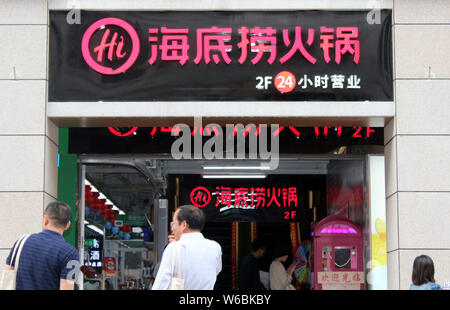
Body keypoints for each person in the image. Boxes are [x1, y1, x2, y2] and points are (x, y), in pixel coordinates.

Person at [3, 201, 80, 290]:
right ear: (68, 225)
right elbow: (67, 287)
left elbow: (7, 274)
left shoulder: (21, 242)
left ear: (45, 220)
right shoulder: (70, 253)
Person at [152, 205, 222, 290]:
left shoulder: (173, 248)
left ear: (184, 225)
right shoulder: (215, 247)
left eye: (173, 223)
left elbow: (160, 285)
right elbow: (215, 271)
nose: (172, 228)